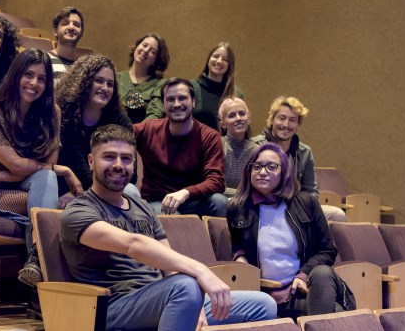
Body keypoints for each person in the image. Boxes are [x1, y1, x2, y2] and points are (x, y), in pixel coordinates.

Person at [60, 124, 277, 330]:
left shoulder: (142, 208)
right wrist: (200, 272)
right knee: (185, 286)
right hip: (113, 307)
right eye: (109, 157)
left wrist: (195, 306)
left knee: (263, 304)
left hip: (163, 298)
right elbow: (132, 244)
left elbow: (168, 264)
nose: (118, 165)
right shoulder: (78, 212)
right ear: (91, 161)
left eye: (126, 159)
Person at [0, 49, 83, 286]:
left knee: (47, 180)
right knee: (52, 187)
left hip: (25, 185)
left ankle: (36, 262)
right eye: (28, 75)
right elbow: (18, 164)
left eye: (41, 78)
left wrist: (0, 174)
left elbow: (48, 165)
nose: (34, 83)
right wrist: (64, 170)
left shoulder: (52, 113)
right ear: (15, 75)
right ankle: (46, 274)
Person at [227, 142, 355, 318]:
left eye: (271, 166)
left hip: (301, 288)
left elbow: (327, 250)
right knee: (339, 315)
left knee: (323, 273)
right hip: (264, 294)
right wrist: (240, 257)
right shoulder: (237, 208)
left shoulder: (307, 203)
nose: (263, 172)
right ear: (249, 171)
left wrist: (303, 275)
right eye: (257, 166)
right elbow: (236, 244)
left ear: (284, 172)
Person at [134, 78, 228, 217]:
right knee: (174, 218)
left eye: (182, 98)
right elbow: (118, 134)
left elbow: (216, 181)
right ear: (163, 104)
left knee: (220, 202)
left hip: (193, 200)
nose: (177, 104)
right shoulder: (149, 129)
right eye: (170, 99)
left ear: (193, 101)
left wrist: (186, 193)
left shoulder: (209, 136)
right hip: (158, 201)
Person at [56, 54, 136, 209]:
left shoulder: (119, 120)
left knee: (131, 191)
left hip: (110, 185)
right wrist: (78, 192)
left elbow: (131, 170)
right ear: (83, 82)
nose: (105, 88)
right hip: (71, 186)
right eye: (99, 81)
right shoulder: (64, 116)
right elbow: (74, 162)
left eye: (110, 84)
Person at [252, 96, 346, 222]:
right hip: (262, 204)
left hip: (294, 206)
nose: (286, 125)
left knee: (337, 214)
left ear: (298, 124)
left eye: (292, 120)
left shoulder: (305, 152)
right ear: (272, 120)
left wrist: (299, 206)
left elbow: (311, 192)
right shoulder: (255, 146)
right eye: (281, 118)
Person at [118, 33, 170, 123]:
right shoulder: (116, 77)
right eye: (144, 45)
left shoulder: (160, 84)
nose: (145, 50)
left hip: (141, 134)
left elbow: (155, 114)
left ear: (156, 60)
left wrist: (135, 132)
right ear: (136, 47)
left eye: (152, 51)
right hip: (111, 133)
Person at [192, 42, 243, 129]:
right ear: (208, 59)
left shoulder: (236, 93)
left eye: (225, 59)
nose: (219, 61)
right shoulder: (192, 87)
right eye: (215, 56)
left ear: (229, 65)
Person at [218, 97, 257, 197]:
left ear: (248, 119)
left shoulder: (256, 150)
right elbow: (214, 185)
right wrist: (240, 194)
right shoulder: (216, 146)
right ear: (223, 124)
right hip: (221, 202)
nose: (238, 118)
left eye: (242, 113)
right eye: (232, 115)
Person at [48, 6, 84, 84]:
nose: (71, 27)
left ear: (81, 34)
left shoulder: (83, 68)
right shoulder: (44, 60)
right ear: (55, 31)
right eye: (65, 23)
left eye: (76, 24)